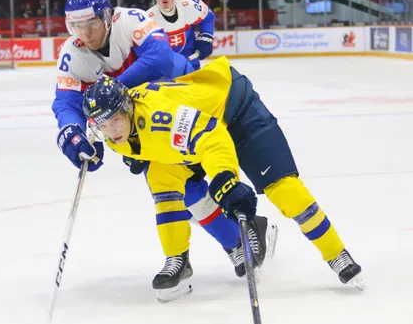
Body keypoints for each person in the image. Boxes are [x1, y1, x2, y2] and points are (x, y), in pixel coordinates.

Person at [52, 0, 275, 301]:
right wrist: (71, 132)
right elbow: (65, 102)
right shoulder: (72, 53)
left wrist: (108, 95)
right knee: (179, 188)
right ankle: (227, 241)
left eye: (90, 24)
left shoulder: (130, 20)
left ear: (107, 16)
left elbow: (158, 60)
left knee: (186, 185)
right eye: (76, 25)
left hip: (179, 98)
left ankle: (231, 240)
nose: (84, 33)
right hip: (138, 120)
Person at [80, 56, 365, 299]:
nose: (110, 130)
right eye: (102, 124)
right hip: (198, 127)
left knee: (284, 191)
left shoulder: (160, 119)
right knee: (165, 183)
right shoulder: (115, 131)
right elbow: (130, 139)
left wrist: (226, 181)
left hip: (235, 109)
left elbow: (212, 137)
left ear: (127, 109)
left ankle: (336, 253)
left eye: (114, 120)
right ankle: (179, 257)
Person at [147, 0, 215, 70]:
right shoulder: (148, 19)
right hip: (162, 70)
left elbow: (208, 16)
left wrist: (206, 37)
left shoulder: (189, 7)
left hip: (190, 65)